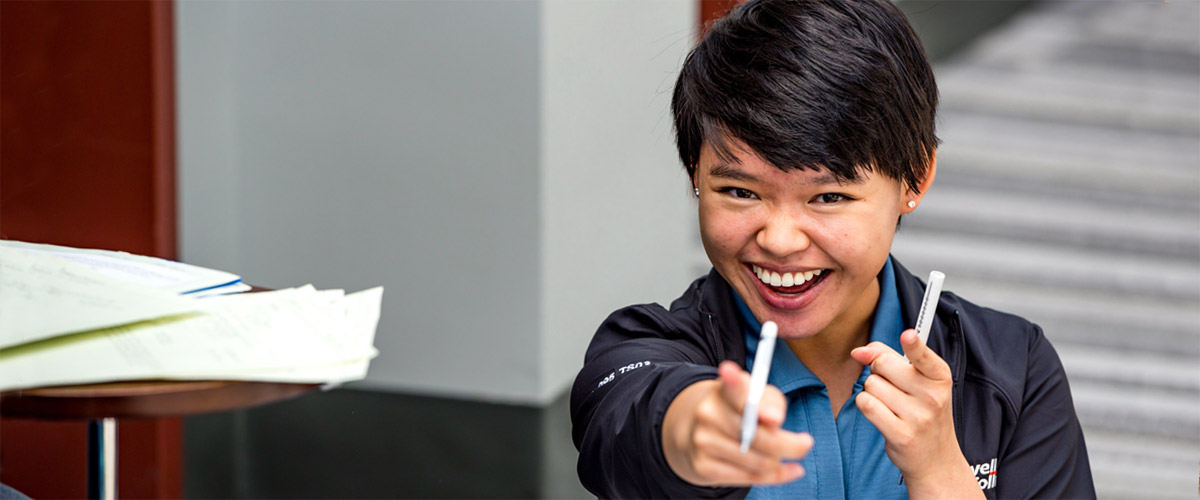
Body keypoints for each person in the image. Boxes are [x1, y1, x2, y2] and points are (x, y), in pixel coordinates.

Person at [569, 0, 1096, 498]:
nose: (778, 239)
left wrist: (938, 468)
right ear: (695, 176)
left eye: (828, 197)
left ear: (916, 176)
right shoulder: (640, 347)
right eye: (740, 192)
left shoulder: (1010, 369)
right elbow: (632, 419)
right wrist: (694, 430)